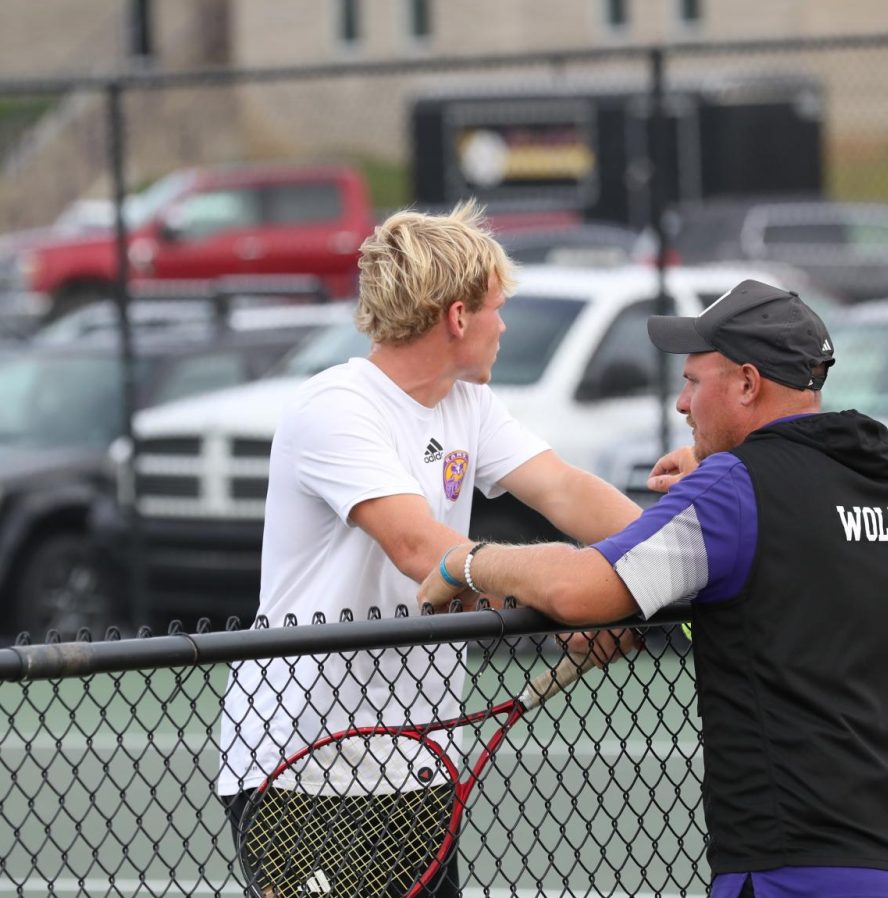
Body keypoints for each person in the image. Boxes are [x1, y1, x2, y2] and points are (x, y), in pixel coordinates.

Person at [420, 280, 888, 898]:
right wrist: (725, 466)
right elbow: (803, 543)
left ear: (748, 384)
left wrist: (470, 560)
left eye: (694, 383)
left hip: (793, 865)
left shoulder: (738, 488)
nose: (680, 404)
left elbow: (581, 591)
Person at [216, 200, 642, 897]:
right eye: (497, 306)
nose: (504, 324)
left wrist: (663, 557)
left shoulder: (466, 403)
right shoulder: (335, 405)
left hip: (418, 757)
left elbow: (564, 490)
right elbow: (421, 548)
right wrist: (576, 596)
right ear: (457, 316)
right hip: (300, 761)